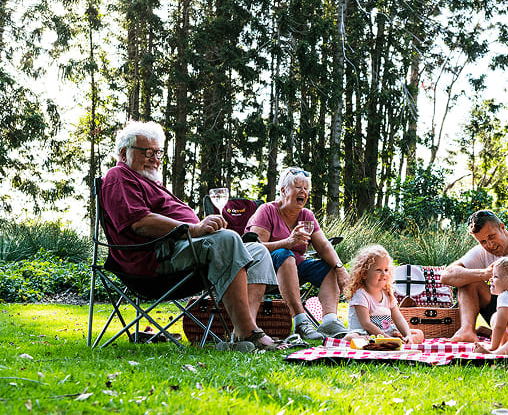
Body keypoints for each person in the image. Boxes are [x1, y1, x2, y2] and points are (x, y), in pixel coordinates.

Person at [101, 121, 279, 351]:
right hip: (154, 260)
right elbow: (139, 223)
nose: (154, 158)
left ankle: (242, 333)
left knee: (258, 251)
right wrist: (193, 229)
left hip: (185, 251)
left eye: (158, 152)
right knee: (227, 240)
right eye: (147, 152)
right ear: (124, 153)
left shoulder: (149, 182)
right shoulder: (119, 176)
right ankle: (250, 334)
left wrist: (202, 228)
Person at [246, 166, 350, 340]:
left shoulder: (307, 215)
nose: (303, 192)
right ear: (283, 190)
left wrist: (340, 268)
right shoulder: (267, 211)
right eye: (298, 187)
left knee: (329, 266)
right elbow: (255, 247)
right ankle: (301, 321)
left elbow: (323, 246)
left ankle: (330, 320)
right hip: (268, 269)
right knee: (285, 254)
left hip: (297, 267)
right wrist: (287, 242)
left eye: (306, 189)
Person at [441, 210, 508, 342]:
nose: (490, 245)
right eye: (483, 241)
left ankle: (494, 333)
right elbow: (446, 276)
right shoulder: (482, 252)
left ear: (502, 227)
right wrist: (485, 273)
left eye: (492, 236)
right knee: (468, 280)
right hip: (499, 313)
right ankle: (467, 331)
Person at [343, 245, 424, 344]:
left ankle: (402, 340)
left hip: (386, 332)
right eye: (378, 270)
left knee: (419, 333)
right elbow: (366, 324)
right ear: (364, 273)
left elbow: (398, 319)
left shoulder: (387, 294)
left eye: (386, 270)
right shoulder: (361, 294)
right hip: (365, 333)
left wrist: (408, 335)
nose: (383, 273)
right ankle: (389, 342)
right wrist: (387, 339)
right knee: (351, 337)